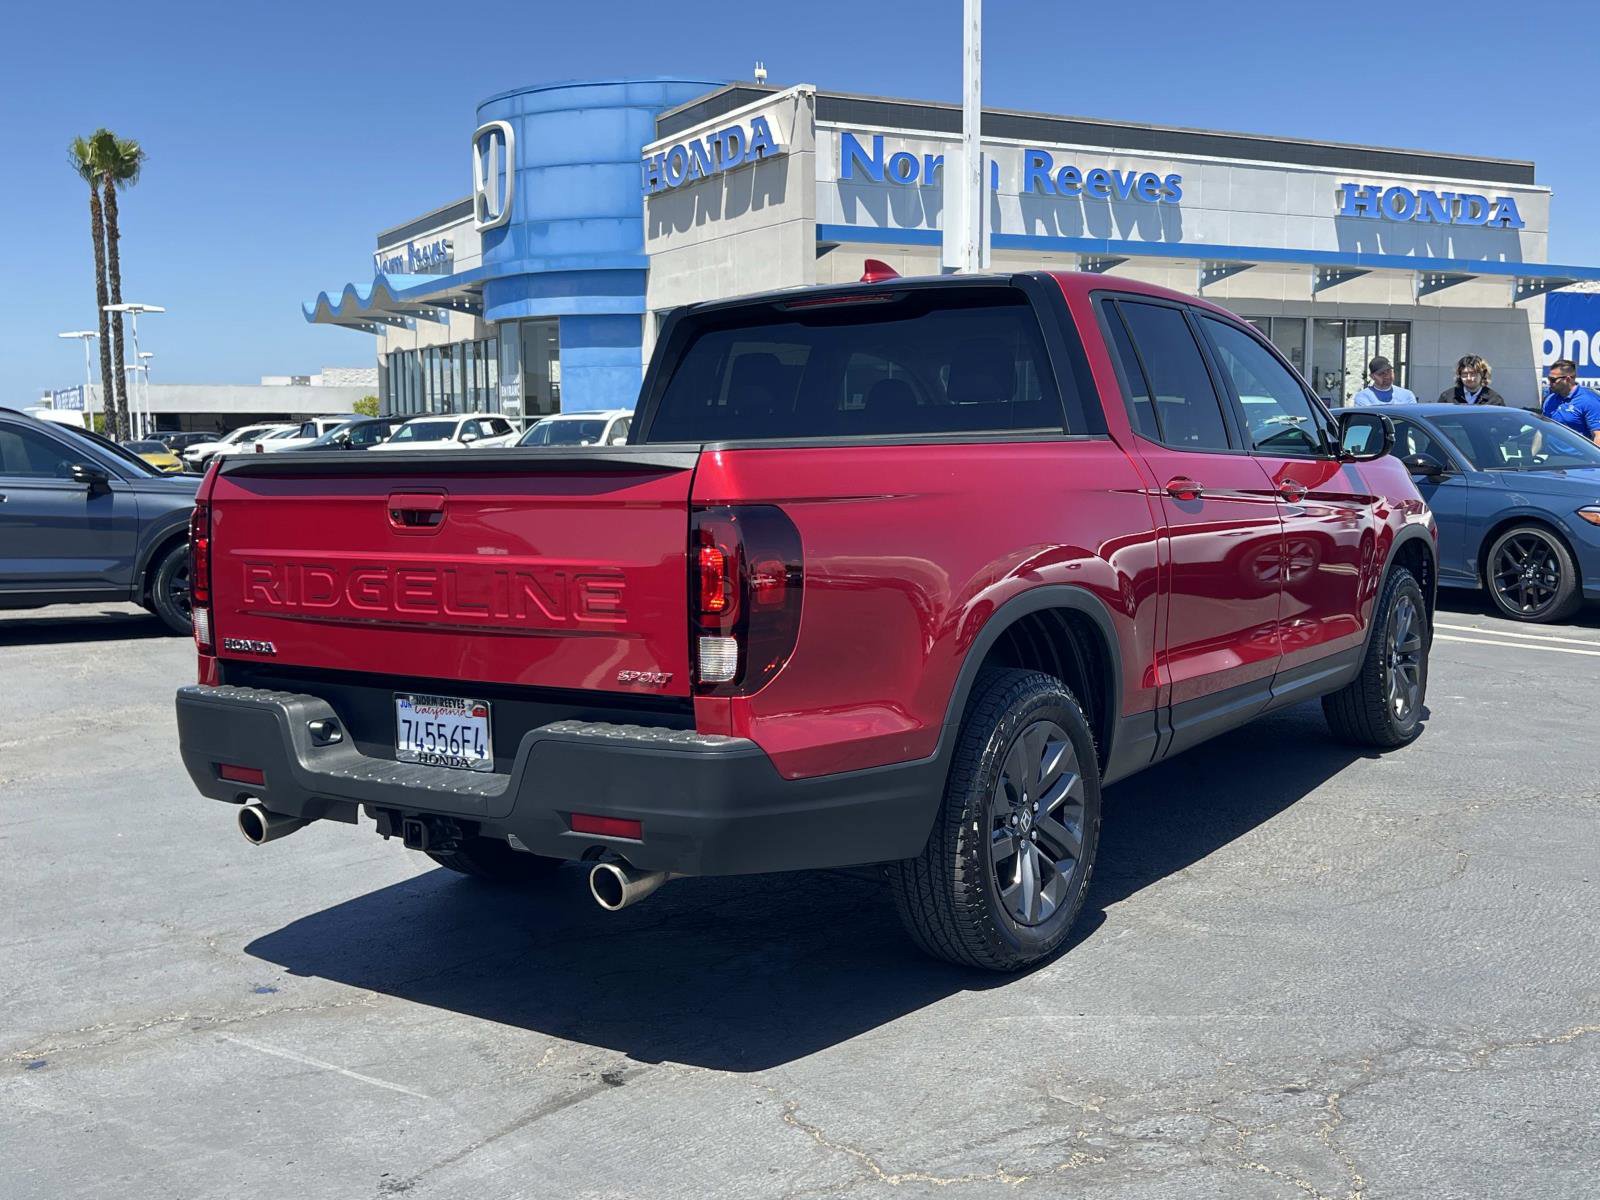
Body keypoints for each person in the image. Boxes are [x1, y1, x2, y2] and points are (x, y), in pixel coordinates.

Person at [1542, 359, 1600, 444]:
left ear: (1567, 379)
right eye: (1549, 379)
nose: (1549, 383)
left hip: (1578, 456)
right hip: (1551, 455)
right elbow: (1542, 430)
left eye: (1553, 380)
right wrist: (1533, 454)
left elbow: (1597, 435)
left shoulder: (1589, 401)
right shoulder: (1549, 399)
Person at [1437, 354, 1505, 405]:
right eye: (1464, 374)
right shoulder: (1448, 397)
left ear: (1483, 374)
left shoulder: (1494, 400)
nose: (1469, 378)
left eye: (1473, 374)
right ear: (1459, 375)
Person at [1349, 356, 1417, 406]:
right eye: (1381, 373)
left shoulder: (1407, 395)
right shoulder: (1364, 397)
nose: (1386, 375)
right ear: (1372, 376)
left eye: (1389, 371)